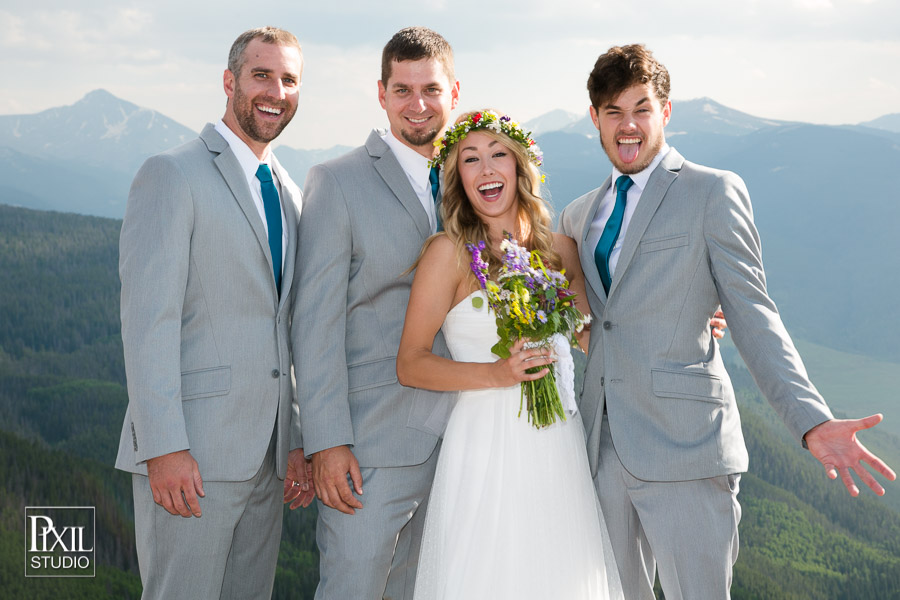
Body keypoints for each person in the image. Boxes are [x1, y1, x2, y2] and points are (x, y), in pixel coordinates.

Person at [557, 44, 897, 600]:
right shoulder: (576, 215)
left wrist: (811, 421)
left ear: (665, 112)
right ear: (594, 117)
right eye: (613, 111)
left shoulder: (712, 191)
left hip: (687, 447)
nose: (628, 125)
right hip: (600, 447)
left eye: (641, 108)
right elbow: (586, 317)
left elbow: (754, 312)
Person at [116, 27, 315, 599]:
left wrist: (296, 437)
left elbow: (288, 327)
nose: (275, 90)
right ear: (230, 82)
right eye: (261, 75)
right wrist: (164, 446)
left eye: (289, 79)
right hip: (192, 456)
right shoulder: (171, 173)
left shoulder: (288, 191)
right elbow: (148, 320)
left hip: (268, 459)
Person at [396, 109, 623, 599]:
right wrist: (497, 373)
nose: (486, 169)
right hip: (483, 446)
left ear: (521, 167)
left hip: (556, 442)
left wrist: (688, 324)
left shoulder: (561, 250)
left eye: (499, 154)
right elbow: (410, 363)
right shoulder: (447, 253)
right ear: (458, 176)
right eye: (471, 159)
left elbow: (592, 340)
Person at [290, 27, 459, 600]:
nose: (418, 104)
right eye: (403, 89)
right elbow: (314, 323)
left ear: (453, 93)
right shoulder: (336, 182)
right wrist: (327, 442)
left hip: (466, 440)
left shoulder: (478, 178)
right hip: (371, 445)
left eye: (430, 89)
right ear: (381, 93)